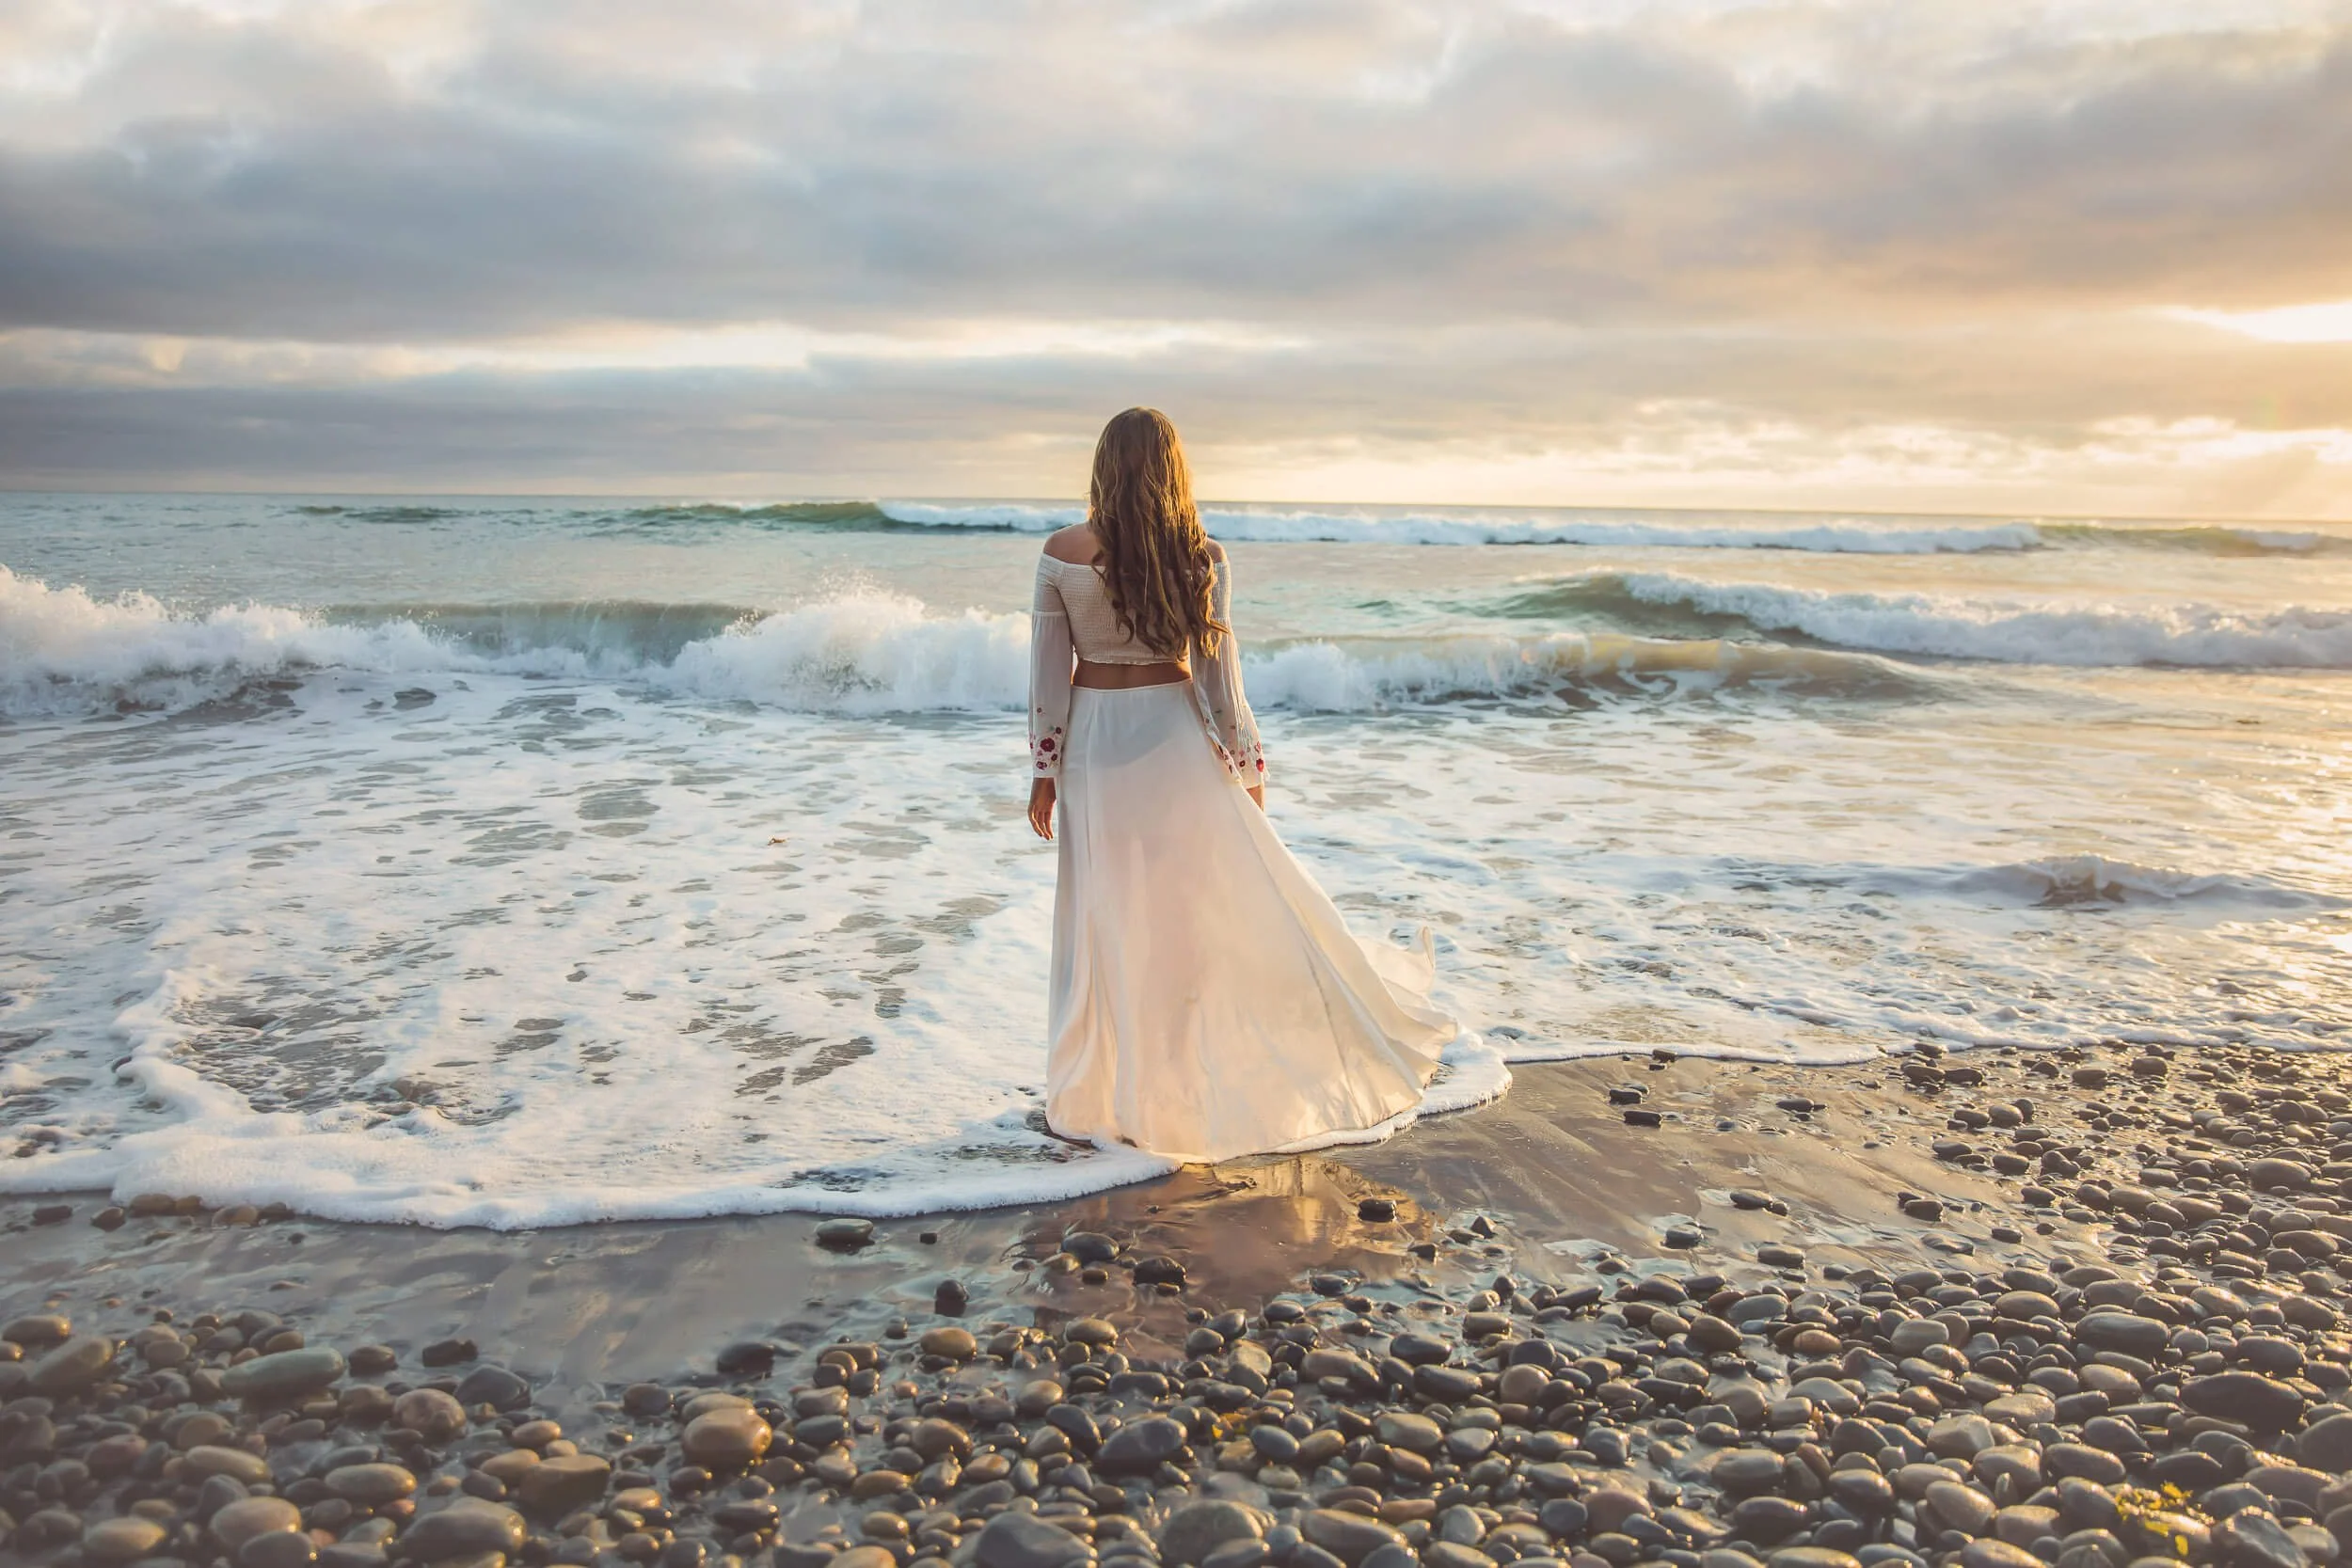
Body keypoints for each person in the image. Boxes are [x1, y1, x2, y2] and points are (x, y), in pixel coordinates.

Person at [1026, 406, 1463, 1162]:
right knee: (1183, 923)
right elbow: (1223, 681)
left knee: (1105, 917)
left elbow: (1046, 678)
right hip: (1173, 741)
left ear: (1103, 463)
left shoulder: (1061, 553)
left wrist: (1043, 769)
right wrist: (1246, 767)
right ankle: (1177, 1091)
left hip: (1095, 748)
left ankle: (1096, 1097)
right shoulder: (1200, 555)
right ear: (1174, 468)